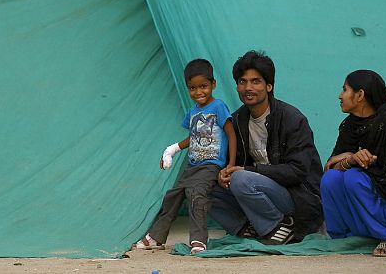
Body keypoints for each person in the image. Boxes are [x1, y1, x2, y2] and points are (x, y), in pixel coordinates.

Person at [210, 50, 323, 245]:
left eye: (256, 81)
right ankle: (248, 228)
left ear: (269, 86)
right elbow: (235, 163)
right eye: (242, 82)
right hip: (259, 194)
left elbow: (298, 172)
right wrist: (223, 174)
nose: (248, 88)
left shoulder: (292, 119)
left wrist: (246, 171)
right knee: (203, 185)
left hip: (298, 198)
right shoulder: (236, 121)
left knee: (241, 178)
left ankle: (278, 227)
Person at [134, 58, 237, 254]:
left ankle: (198, 241)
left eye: (203, 86)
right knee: (173, 196)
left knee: (197, 195)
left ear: (213, 84)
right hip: (192, 165)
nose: (199, 92)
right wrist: (171, 149)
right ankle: (156, 235)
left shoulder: (219, 107)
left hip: (211, 165)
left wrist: (230, 165)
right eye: (193, 88)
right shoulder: (192, 112)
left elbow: (231, 134)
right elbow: (193, 137)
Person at [321, 70, 386, 256]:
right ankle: (343, 238)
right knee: (331, 179)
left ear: (360, 95)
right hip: (366, 209)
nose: (340, 95)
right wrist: (351, 158)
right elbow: (330, 167)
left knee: (354, 178)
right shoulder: (349, 125)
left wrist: (362, 164)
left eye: (344, 90)